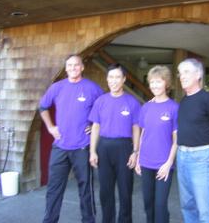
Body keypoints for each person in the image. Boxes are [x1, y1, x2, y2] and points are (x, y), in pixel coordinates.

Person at [39, 54, 103, 223]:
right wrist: (50, 127)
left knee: (85, 189)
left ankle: (88, 220)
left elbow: (104, 108)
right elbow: (43, 107)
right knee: (54, 188)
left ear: (82, 67)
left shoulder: (92, 88)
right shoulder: (57, 87)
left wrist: (96, 124)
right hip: (60, 146)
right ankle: (50, 220)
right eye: (70, 65)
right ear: (66, 68)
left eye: (76, 65)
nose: (73, 68)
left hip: (82, 147)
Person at [176, 58, 209, 223]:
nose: (181, 76)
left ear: (198, 74)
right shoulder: (183, 101)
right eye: (180, 72)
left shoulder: (207, 99)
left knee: (205, 209)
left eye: (186, 71)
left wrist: (203, 141)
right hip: (182, 156)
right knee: (187, 205)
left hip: (200, 157)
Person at [88, 63, 140, 223]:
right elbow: (95, 126)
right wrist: (92, 151)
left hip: (124, 148)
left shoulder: (132, 102)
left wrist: (135, 152)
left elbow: (136, 128)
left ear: (124, 79)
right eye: (111, 77)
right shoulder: (100, 101)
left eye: (118, 77)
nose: (114, 81)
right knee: (105, 191)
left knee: (125, 191)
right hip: (103, 147)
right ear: (107, 79)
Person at [135, 65, 178, 223]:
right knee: (148, 204)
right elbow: (143, 133)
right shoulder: (146, 107)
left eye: (158, 81)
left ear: (166, 83)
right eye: (152, 82)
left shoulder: (174, 108)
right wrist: (138, 157)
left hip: (163, 165)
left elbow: (176, 140)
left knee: (160, 205)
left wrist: (169, 163)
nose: (154, 85)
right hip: (146, 162)